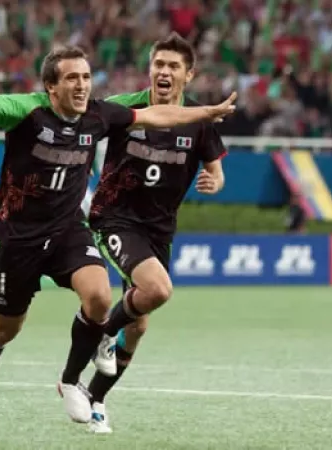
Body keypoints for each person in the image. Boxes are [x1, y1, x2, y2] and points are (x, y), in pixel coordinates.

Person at [0, 46, 236, 442]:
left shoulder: (99, 115)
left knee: (99, 297)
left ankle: (71, 380)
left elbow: (156, 115)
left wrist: (205, 113)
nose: (82, 85)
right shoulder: (26, 110)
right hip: (17, 236)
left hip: (67, 230)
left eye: (86, 77)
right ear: (51, 86)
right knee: (3, 329)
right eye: (72, 78)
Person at [85, 33, 227, 433]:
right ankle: (100, 335)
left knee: (139, 326)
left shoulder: (199, 119)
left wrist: (214, 181)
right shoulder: (125, 108)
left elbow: (216, 171)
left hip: (159, 231)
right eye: (159, 64)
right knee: (158, 290)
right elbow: (83, 132)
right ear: (150, 69)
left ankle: (94, 398)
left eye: (173, 66)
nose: (164, 72)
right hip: (115, 218)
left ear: (188, 74)